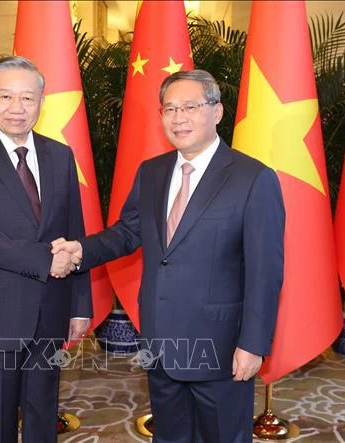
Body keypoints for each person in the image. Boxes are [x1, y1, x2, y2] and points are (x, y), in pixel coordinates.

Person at [52, 70, 285, 442]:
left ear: (217, 112)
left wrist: (252, 344)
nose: (178, 118)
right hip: (161, 342)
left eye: (190, 107)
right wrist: (81, 250)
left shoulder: (253, 178)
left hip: (220, 347)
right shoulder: (153, 172)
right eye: (170, 109)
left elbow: (265, 272)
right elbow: (127, 233)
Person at [0, 56, 92, 443]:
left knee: (44, 412)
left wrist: (79, 305)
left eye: (28, 98)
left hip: (51, 308)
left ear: (42, 103)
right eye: (6, 97)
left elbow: (74, 231)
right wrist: (44, 258)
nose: (17, 107)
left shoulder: (60, 156)